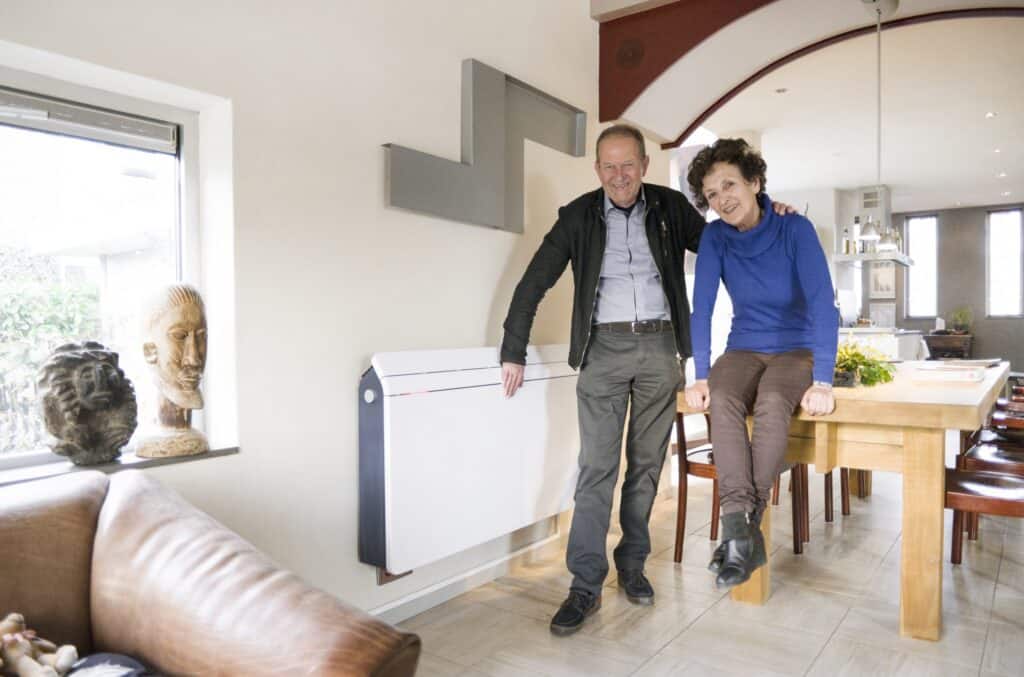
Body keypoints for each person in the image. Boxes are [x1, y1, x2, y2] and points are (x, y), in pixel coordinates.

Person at [499, 124, 793, 636]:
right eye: (608, 166)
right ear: (597, 170)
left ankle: (631, 566)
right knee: (596, 470)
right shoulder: (577, 217)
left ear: (644, 165)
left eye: (628, 165)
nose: (619, 175)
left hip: (660, 350)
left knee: (646, 468)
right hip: (602, 350)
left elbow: (724, 241)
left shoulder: (668, 208)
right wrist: (513, 348)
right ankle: (584, 585)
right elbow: (534, 280)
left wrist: (768, 215)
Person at [683, 138, 838, 590]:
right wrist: (700, 374)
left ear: (754, 182)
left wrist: (823, 380)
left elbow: (822, 304)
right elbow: (703, 308)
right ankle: (742, 528)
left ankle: (737, 537)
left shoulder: (796, 228)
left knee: (772, 400)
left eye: (729, 185)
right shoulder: (715, 237)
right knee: (725, 398)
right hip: (744, 346)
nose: (722, 199)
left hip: (797, 347)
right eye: (711, 194)